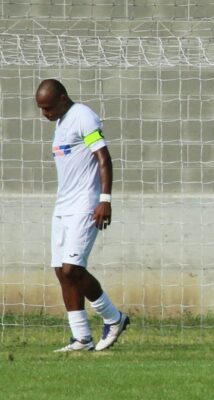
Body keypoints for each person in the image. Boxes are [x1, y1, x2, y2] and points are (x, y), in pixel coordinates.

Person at [36, 79, 130, 352]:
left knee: (72, 269)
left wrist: (105, 200)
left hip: (85, 206)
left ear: (63, 99)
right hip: (63, 206)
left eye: (49, 108)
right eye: (41, 109)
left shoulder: (83, 117)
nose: (45, 113)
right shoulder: (61, 122)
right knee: (61, 271)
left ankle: (114, 319)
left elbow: (103, 158)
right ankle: (81, 337)